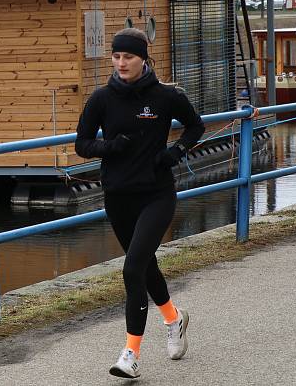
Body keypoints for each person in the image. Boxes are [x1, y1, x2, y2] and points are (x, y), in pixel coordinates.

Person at [74, 27, 205, 379]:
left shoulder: (165, 96)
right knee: (145, 266)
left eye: (128, 57)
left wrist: (175, 152)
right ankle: (174, 319)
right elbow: (82, 143)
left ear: (143, 58)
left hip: (156, 194)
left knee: (132, 269)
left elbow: (196, 126)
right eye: (116, 57)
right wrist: (109, 147)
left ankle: (130, 354)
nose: (121, 63)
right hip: (118, 196)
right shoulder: (102, 99)